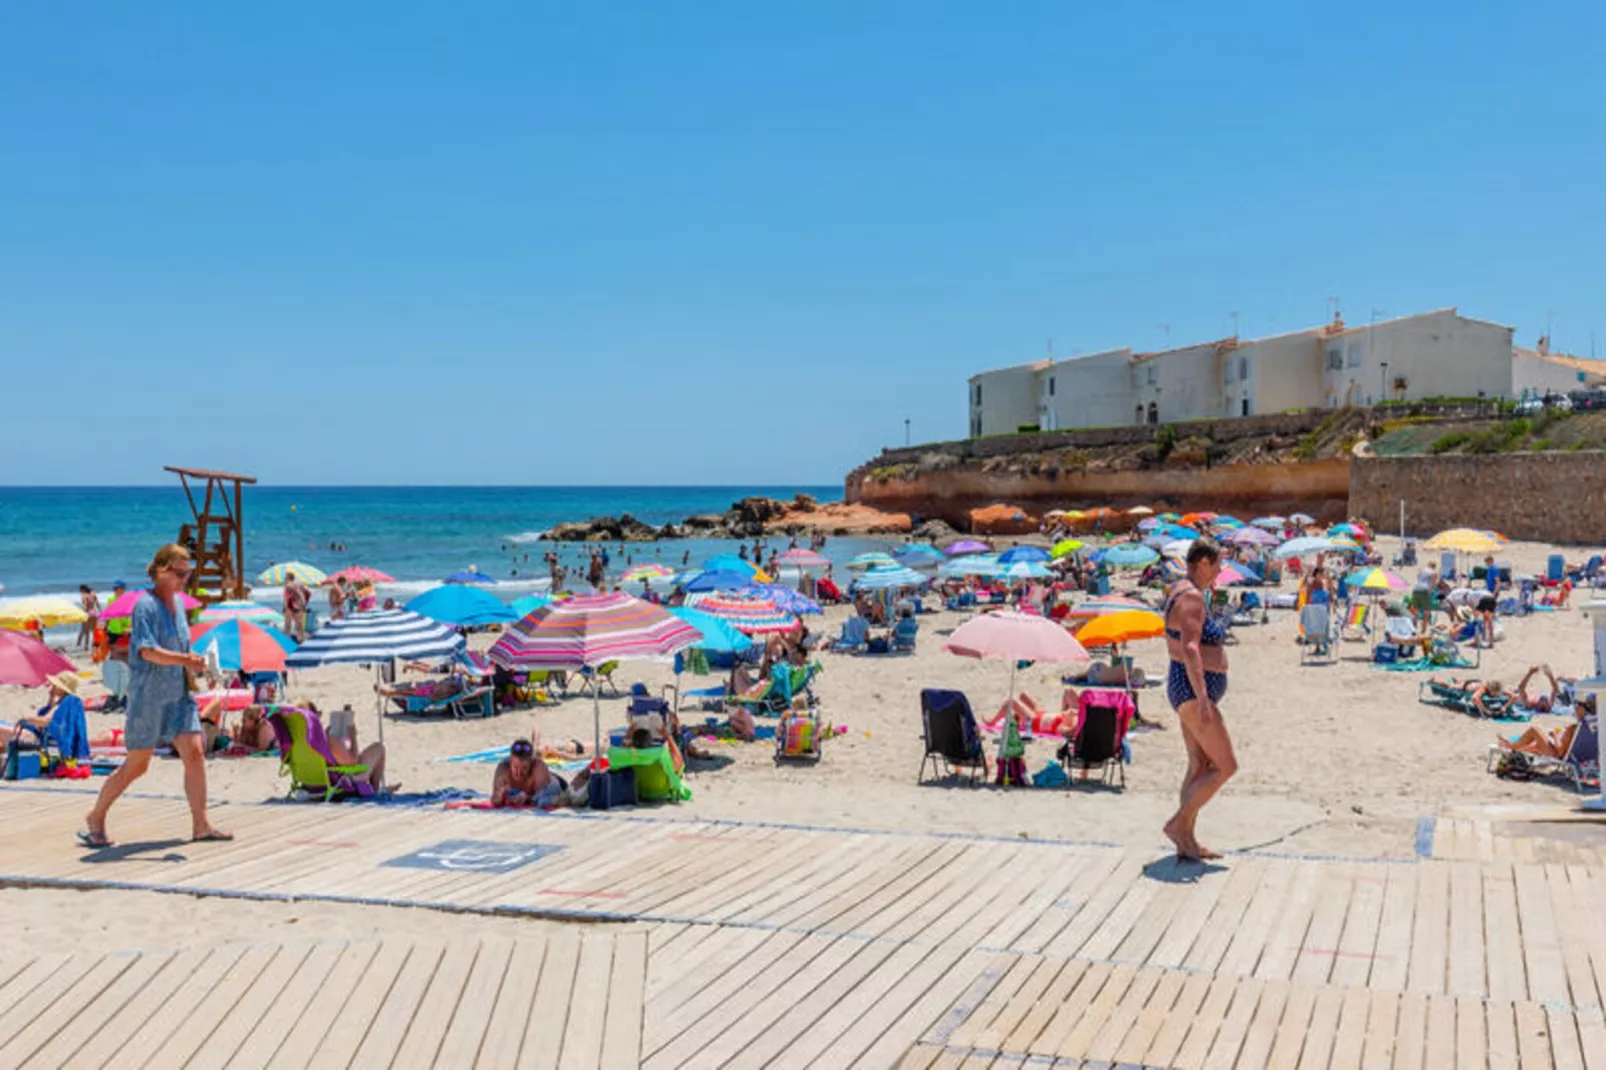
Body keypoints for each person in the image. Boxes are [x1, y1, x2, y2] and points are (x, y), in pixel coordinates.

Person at [81, 543, 230, 848]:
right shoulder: (145, 607)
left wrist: (193, 661)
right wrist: (184, 659)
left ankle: (201, 824)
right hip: (148, 698)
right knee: (138, 765)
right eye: (179, 572)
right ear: (161, 570)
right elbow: (147, 651)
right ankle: (96, 816)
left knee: (195, 753)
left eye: (188, 572)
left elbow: (177, 650)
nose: (185, 577)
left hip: (178, 694)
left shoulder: (178, 608)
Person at [1161, 538, 1236, 862]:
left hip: (1183, 687)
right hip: (1192, 691)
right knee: (1225, 766)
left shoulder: (1180, 591)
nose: (1220, 571)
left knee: (1198, 765)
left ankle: (1187, 841)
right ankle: (1179, 826)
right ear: (1202, 562)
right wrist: (1204, 697)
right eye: (1217, 564)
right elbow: (1190, 648)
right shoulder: (1192, 596)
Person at [1500, 694, 1596, 760]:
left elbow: (1560, 750)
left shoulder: (1574, 728)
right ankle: (1515, 751)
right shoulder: (1592, 727)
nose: (1575, 708)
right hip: (1577, 756)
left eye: (1578, 705)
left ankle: (1511, 746)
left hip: (1557, 755)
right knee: (1538, 744)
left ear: (1583, 710)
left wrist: (1555, 735)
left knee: (1535, 730)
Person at [491, 738, 565, 808]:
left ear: (531, 762)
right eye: (515, 767)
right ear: (510, 761)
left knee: (542, 801)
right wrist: (502, 794)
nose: (519, 772)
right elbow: (495, 800)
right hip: (524, 791)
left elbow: (539, 797)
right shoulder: (503, 768)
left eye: (524, 768)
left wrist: (526, 799)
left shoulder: (538, 767)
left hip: (553, 784)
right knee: (511, 794)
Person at [1410, 561, 1438, 633]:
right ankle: (1423, 631)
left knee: (1416, 610)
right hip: (1425, 591)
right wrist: (1431, 592)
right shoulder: (1434, 572)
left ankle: (1414, 628)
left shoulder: (1422, 570)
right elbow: (1433, 585)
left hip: (1416, 589)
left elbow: (1418, 578)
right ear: (1434, 567)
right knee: (1426, 612)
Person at [282, 570, 309, 640]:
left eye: (285, 578)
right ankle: (301, 638)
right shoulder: (298, 584)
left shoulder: (288, 585)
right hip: (298, 606)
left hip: (290, 605)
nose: (284, 579)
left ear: (288, 578)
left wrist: (285, 606)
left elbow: (287, 598)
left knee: (287, 624)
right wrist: (303, 604)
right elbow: (308, 592)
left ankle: (286, 640)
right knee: (298, 624)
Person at [77, 584, 101, 651]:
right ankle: (95, 645)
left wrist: (82, 613)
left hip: (88, 614)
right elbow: (97, 604)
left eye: (80, 591)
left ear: (83, 590)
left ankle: (85, 646)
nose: (80, 592)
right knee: (94, 631)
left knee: (86, 631)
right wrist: (101, 611)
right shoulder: (93, 593)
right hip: (94, 614)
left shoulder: (84, 596)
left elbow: (85, 606)